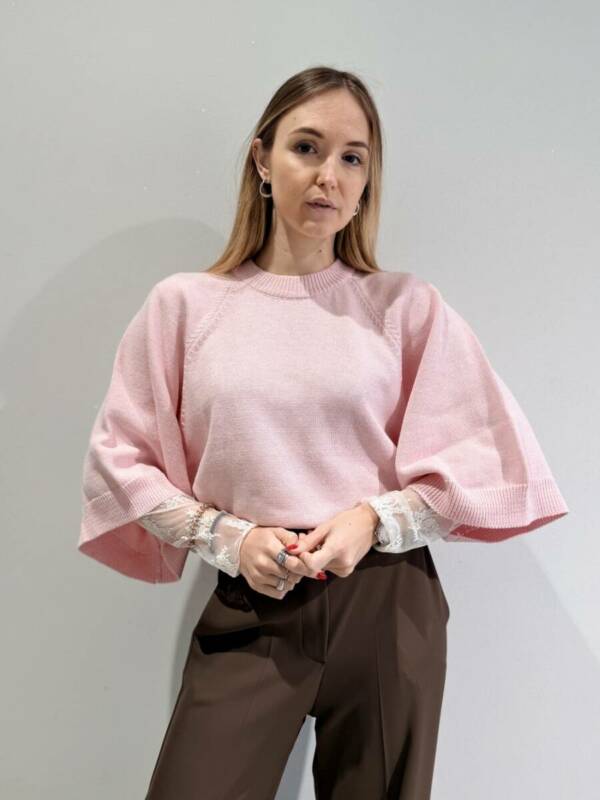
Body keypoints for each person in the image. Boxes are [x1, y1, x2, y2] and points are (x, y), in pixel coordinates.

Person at [77, 65, 569, 799]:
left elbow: (490, 465)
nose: (328, 176)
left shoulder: (404, 308)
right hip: (252, 603)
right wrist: (229, 538)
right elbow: (122, 461)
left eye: (352, 158)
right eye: (306, 147)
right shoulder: (185, 307)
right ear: (262, 159)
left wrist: (373, 519)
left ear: (368, 179)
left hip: (387, 601)